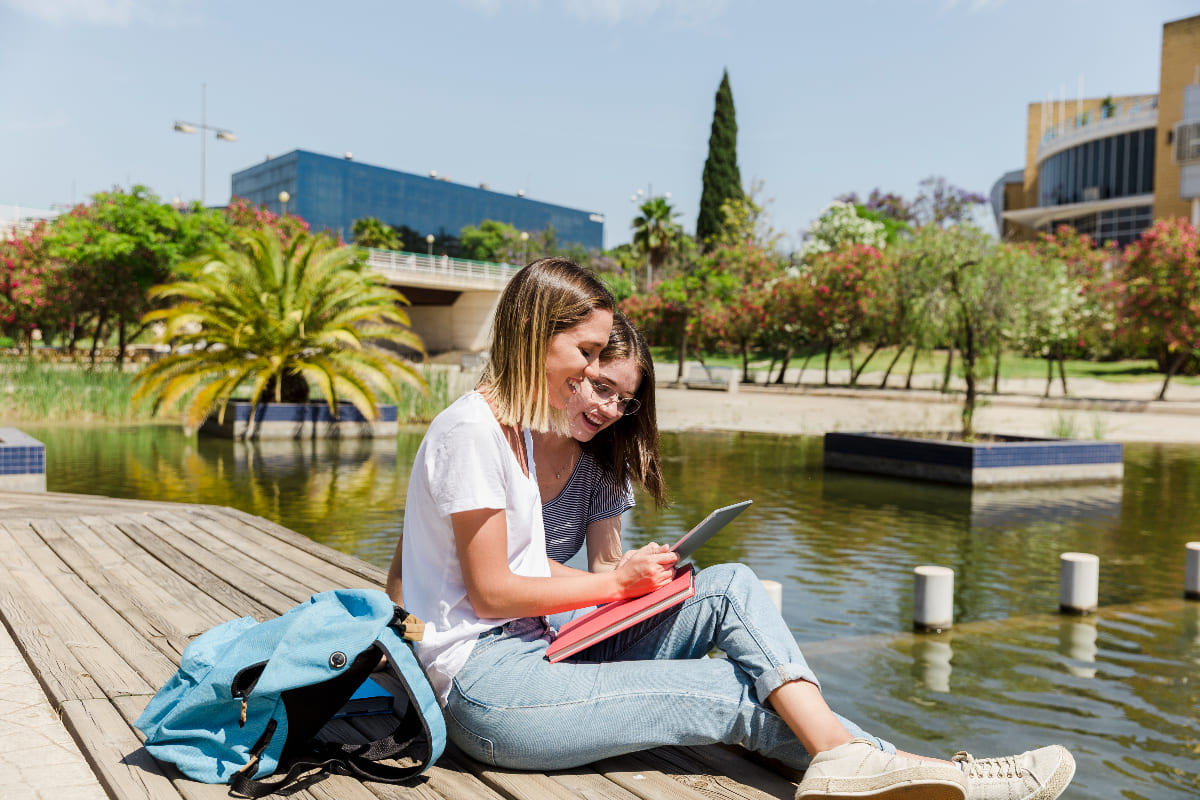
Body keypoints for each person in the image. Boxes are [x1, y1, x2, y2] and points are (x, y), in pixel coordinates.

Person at [386, 257, 1075, 800]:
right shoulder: (470, 431)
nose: (597, 371)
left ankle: (874, 766)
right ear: (538, 333)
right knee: (725, 691)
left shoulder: (523, 436)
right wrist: (614, 581)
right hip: (488, 692)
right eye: (589, 352)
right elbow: (492, 593)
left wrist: (625, 586)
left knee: (730, 587)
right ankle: (928, 774)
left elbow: (519, 577)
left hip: (536, 656)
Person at [532, 313, 665, 572]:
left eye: (625, 401)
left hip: (543, 610)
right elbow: (503, 568)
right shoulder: (499, 439)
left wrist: (627, 570)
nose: (612, 410)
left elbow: (605, 565)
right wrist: (615, 583)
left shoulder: (603, 466)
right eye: (602, 387)